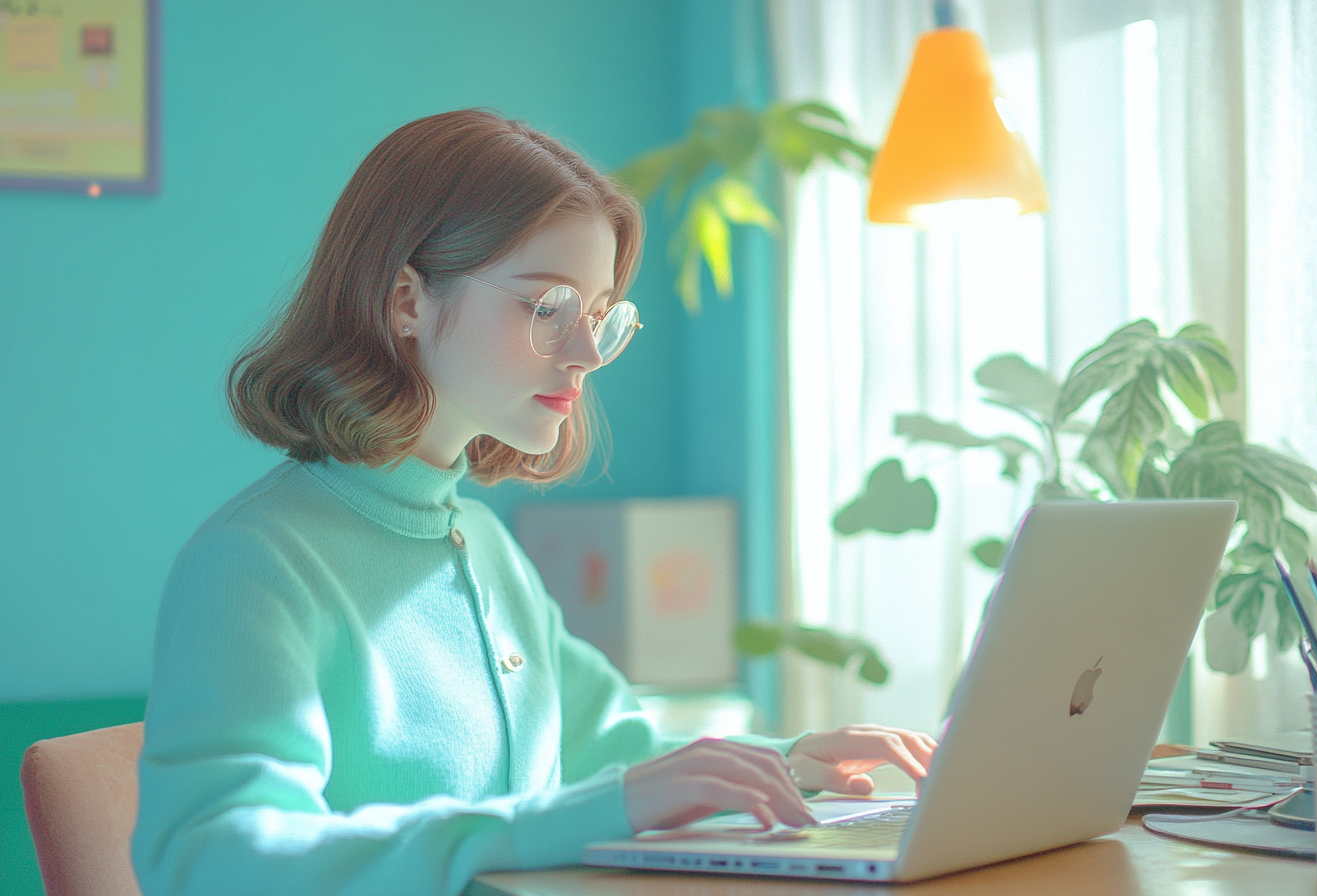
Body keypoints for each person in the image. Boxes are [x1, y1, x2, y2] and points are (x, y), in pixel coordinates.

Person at [131, 109, 937, 896]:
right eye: (548, 308)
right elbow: (211, 860)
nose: (586, 354)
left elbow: (616, 748)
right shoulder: (256, 564)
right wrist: (547, 824)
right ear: (405, 300)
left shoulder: (481, 543)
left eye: (596, 317)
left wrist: (789, 758)